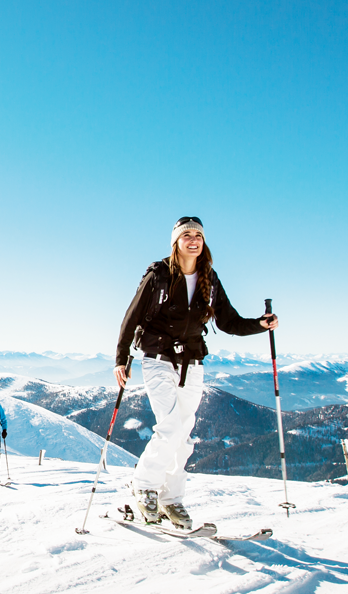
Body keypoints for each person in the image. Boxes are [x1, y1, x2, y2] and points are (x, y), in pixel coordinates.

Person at [113, 216, 278, 529]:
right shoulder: (159, 274)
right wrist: (121, 358)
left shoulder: (209, 278)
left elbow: (229, 322)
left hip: (193, 362)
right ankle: (143, 485)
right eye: (186, 235)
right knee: (171, 426)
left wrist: (259, 324)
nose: (193, 240)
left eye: (198, 235)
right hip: (158, 359)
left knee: (184, 437)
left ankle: (171, 499)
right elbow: (132, 316)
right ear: (175, 241)